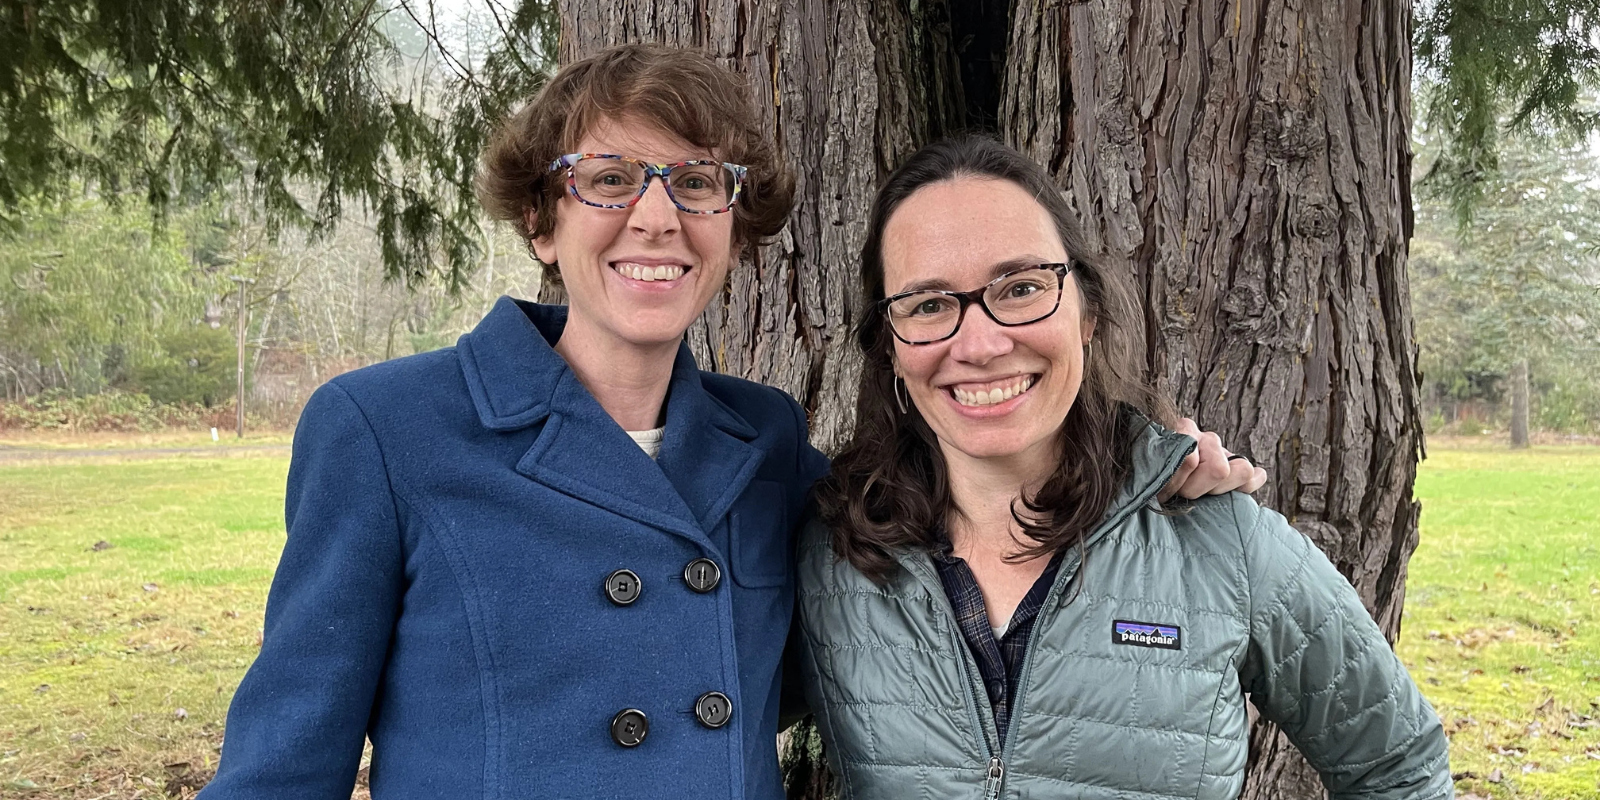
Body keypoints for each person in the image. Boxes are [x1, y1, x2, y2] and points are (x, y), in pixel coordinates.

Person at [200, 46, 1262, 800]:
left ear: (735, 231)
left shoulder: (763, 447)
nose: (656, 216)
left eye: (697, 183)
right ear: (541, 220)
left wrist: (1142, 467)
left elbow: (942, 538)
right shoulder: (387, 429)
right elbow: (285, 763)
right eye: (608, 178)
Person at [793, 135, 1452, 799]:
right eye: (929, 304)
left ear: (1087, 313)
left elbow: (1399, 767)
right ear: (889, 345)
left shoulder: (1221, 542)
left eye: (1021, 288)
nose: (983, 343)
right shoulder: (826, 555)